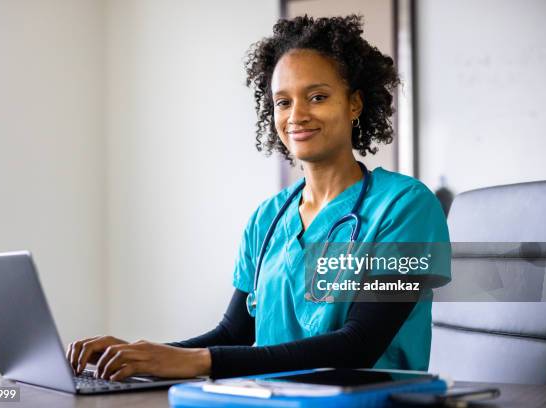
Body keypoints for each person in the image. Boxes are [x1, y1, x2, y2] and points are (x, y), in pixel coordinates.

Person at [66, 14, 450, 382]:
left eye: (317, 96)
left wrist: (196, 362)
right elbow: (233, 334)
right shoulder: (267, 219)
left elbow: (358, 346)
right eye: (283, 102)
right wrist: (139, 357)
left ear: (355, 104)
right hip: (271, 398)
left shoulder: (406, 207)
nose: (296, 115)